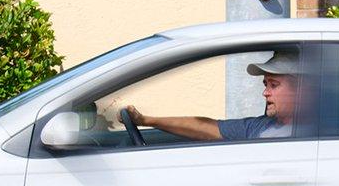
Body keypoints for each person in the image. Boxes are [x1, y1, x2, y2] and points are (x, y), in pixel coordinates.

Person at [125, 50, 298, 141]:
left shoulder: (317, 132)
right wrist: (145, 120)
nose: (265, 92)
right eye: (265, 84)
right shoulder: (261, 126)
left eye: (274, 85)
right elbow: (205, 127)